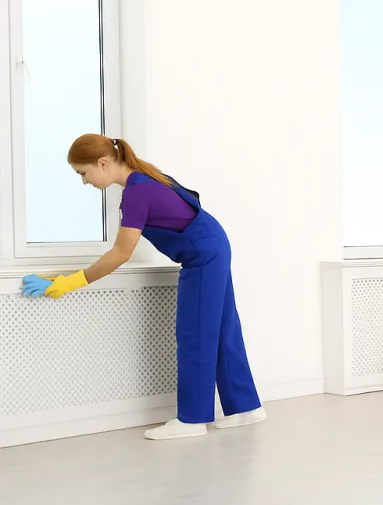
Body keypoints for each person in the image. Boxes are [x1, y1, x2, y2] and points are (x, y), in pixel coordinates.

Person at [21, 135, 265, 440]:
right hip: (213, 245)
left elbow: (120, 254)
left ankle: (192, 420)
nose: (84, 182)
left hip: (203, 256)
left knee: (195, 335)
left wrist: (70, 283)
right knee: (222, 330)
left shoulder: (137, 192)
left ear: (103, 163)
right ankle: (245, 409)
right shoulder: (146, 178)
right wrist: (61, 276)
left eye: (83, 174)